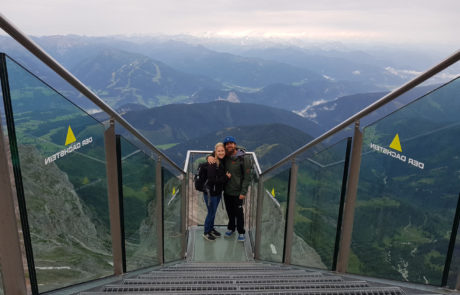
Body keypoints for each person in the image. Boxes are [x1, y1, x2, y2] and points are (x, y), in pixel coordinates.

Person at [208, 136, 251, 242]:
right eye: (227, 144)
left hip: (238, 192)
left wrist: (243, 192)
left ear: (235, 145)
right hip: (227, 191)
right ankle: (231, 228)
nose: (229, 145)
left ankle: (241, 232)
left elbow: (247, 177)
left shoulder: (244, 158)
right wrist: (209, 157)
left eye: (231, 143)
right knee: (230, 212)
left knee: (239, 213)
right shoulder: (226, 156)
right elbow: (217, 154)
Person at [203, 142, 231, 241]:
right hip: (211, 193)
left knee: (213, 212)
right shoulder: (212, 163)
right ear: (215, 152)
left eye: (222, 150)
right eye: (219, 151)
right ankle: (206, 232)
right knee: (211, 212)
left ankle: (211, 229)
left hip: (217, 192)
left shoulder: (221, 161)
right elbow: (211, 180)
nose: (221, 152)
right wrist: (226, 178)